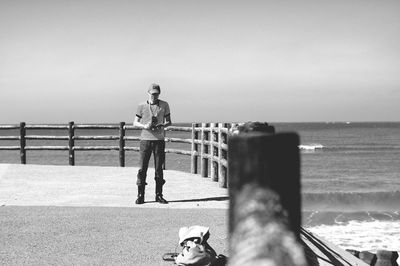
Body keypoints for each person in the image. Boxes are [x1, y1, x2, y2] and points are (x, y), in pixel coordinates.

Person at [133, 83, 171, 204]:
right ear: (148, 93)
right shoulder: (141, 106)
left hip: (159, 140)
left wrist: (162, 125)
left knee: (159, 169)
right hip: (145, 140)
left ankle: (159, 195)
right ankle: (140, 195)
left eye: (156, 94)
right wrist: (144, 125)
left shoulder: (164, 105)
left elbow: (169, 122)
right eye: (152, 94)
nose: (154, 96)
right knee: (142, 168)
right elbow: (135, 122)